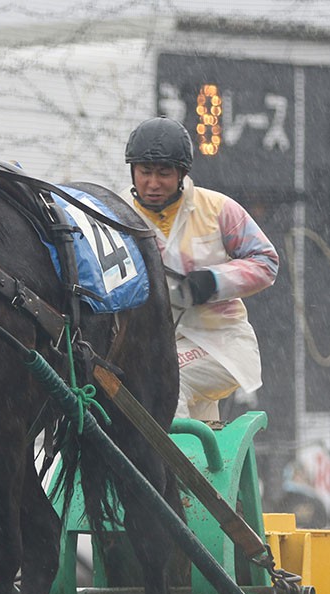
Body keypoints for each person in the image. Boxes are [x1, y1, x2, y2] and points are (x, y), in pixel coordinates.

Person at [124, 116, 279, 422]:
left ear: (181, 173)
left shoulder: (219, 209)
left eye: (164, 173)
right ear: (132, 171)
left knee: (163, 381)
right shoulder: (116, 216)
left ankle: (166, 470)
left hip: (222, 344)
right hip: (151, 350)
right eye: (145, 172)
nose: (153, 183)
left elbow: (266, 261)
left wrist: (212, 282)